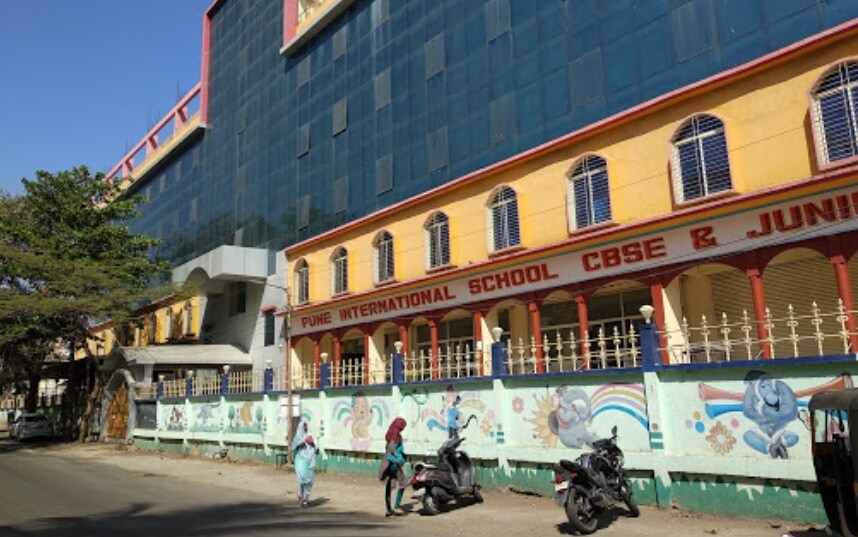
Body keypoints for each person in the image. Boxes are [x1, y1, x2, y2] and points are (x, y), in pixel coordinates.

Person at [378, 417, 407, 517]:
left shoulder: (391, 432)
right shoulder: (395, 434)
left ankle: (389, 509)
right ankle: (396, 507)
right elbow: (391, 447)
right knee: (403, 483)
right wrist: (398, 457)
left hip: (387, 462)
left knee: (389, 486)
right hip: (393, 463)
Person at [294, 434, 317, 507]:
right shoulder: (302, 449)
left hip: (307, 469)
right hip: (303, 468)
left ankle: (302, 497)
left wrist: (312, 466)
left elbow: (312, 458)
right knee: (305, 484)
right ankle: (304, 500)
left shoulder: (311, 449)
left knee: (306, 484)